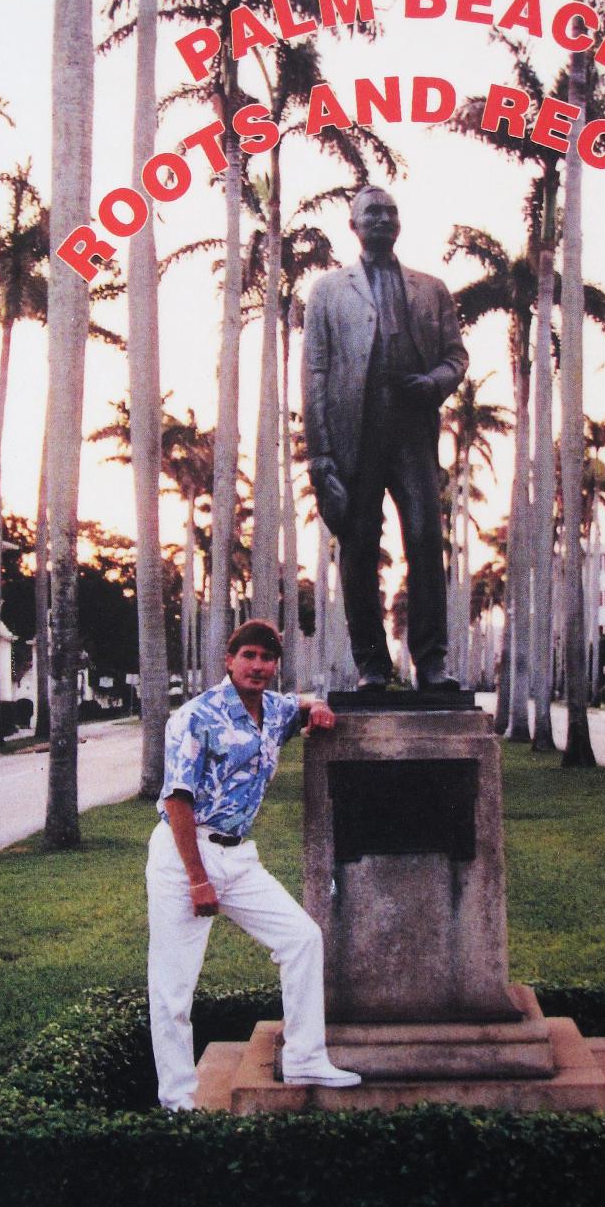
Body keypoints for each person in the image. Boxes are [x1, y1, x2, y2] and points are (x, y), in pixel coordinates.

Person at [146, 619, 361, 1111]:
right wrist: (198, 880)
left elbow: (301, 705)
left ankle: (306, 1058)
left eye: (267, 658)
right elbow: (177, 800)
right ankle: (178, 1103)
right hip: (185, 858)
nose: (259, 666)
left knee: (301, 939)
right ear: (229, 659)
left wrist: (317, 706)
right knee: (174, 988)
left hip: (239, 857)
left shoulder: (273, 710)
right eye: (249, 656)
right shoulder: (196, 716)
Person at [302, 186, 469, 691]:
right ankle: (372, 666)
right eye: (372, 212)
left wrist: (434, 383)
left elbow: (456, 357)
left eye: (390, 211)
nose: (383, 218)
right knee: (358, 548)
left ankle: (432, 662)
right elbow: (315, 372)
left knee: (423, 538)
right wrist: (320, 455)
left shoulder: (431, 288)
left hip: (412, 432)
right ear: (353, 224)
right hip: (355, 434)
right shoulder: (328, 290)